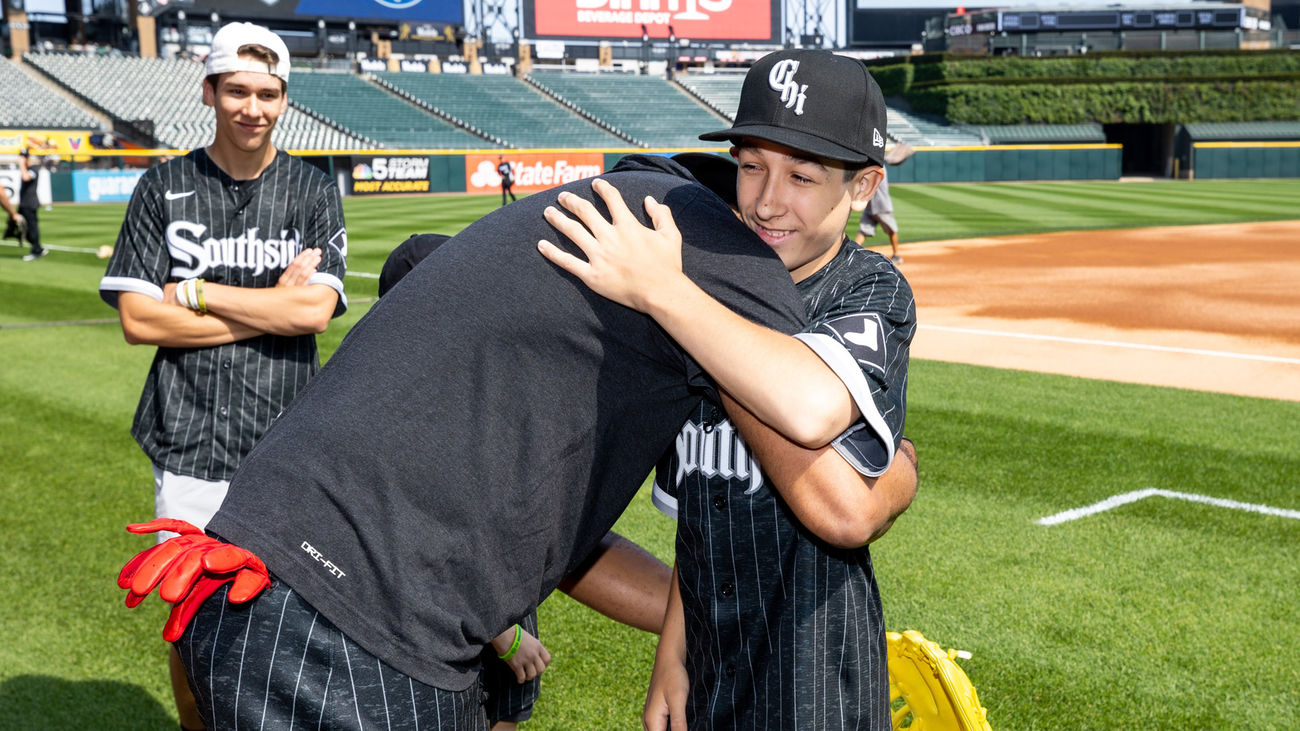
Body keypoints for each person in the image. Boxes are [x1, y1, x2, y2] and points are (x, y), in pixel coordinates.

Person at [117, 152, 822, 729]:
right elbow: (830, 463)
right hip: (345, 628)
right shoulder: (698, 240)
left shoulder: (525, 339)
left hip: (243, 583)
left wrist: (705, 618)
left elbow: (577, 554)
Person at [537, 49, 916, 729]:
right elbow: (699, 519)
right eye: (749, 166)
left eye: (802, 175)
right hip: (710, 667)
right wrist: (672, 654)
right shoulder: (710, 282)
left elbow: (841, 504)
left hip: (815, 674)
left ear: (863, 187)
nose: (768, 201)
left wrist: (667, 295)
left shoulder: (867, 290)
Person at [99, 22, 348, 731]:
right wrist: (273, 307)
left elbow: (314, 313)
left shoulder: (310, 189)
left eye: (268, 93)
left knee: (292, 613)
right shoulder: (163, 185)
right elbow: (140, 321)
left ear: (284, 99)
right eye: (236, 90)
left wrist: (196, 293)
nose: (253, 107)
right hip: (188, 435)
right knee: (190, 614)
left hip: (290, 440)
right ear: (209, 91)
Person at [379, 232, 675, 730]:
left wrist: (705, 615)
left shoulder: (484, 395)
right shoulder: (400, 411)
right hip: (431, 642)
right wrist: (502, 634)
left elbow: (552, 539)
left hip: (494, 624)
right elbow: (418, 537)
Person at [854, 167, 901, 263]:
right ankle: (896, 255)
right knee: (892, 230)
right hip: (882, 205)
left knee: (863, 232)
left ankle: (851, 255)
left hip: (870, 206)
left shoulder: (868, 168)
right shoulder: (878, 167)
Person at [17, 148, 46, 261]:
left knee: (32, 228)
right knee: (22, 228)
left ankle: (36, 250)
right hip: (24, 204)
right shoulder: (28, 168)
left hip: (30, 203)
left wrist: (21, 164)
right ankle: (37, 247)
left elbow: (26, 177)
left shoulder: (33, 169)